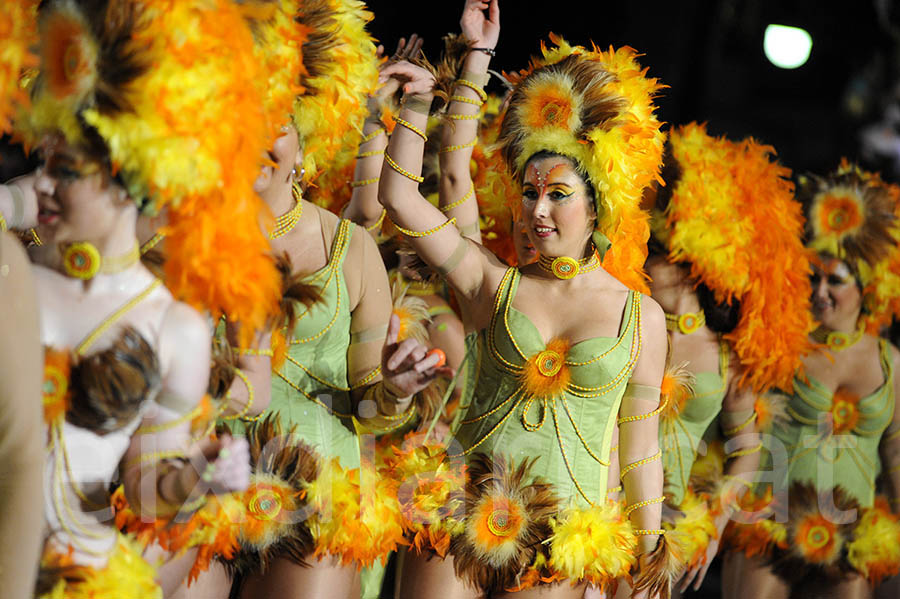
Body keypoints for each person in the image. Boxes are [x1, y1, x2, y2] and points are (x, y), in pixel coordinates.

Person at [377, 2, 671, 596]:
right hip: (458, 515)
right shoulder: (491, 282)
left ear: (597, 206)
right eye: (531, 192)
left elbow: (640, 451)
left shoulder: (641, 316)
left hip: (563, 543)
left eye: (558, 194)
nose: (538, 210)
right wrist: (421, 101)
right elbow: (402, 200)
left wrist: (647, 559)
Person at [17, 0, 282, 595]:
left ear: (129, 175)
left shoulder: (173, 328)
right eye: (44, 162)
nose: (42, 183)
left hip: (74, 577)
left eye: (66, 169)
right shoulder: (13, 276)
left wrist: (194, 476)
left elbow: (145, 490)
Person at [637, 123, 813, 594]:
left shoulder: (726, 350)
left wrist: (713, 524)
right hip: (596, 508)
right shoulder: (620, 307)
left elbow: (749, 449)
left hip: (670, 530)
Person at [722, 162, 900, 599]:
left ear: (867, 288)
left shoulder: (889, 359)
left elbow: (896, 448)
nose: (820, 292)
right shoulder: (781, 339)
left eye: (834, 281)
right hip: (768, 524)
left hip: (851, 536)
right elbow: (739, 424)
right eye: (812, 278)